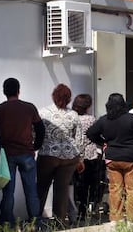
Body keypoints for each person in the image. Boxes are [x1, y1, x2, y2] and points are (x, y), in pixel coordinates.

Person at [86, 93, 133, 226]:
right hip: (132, 158)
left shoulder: (104, 120)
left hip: (112, 158)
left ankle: (116, 218)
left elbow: (90, 133)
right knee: (132, 189)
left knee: (115, 189)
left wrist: (103, 142)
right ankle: (132, 219)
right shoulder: (131, 118)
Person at [0, 78, 45, 229]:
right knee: (31, 191)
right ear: (18, 90)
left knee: (8, 192)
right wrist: (36, 146)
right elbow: (40, 128)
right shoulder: (29, 108)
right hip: (27, 154)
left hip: (7, 155)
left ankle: (6, 224)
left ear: (4, 91)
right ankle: (36, 223)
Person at [37, 84, 84, 228]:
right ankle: (60, 223)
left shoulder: (43, 113)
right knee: (62, 190)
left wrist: (36, 147)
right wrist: (80, 159)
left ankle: (37, 220)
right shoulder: (74, 115)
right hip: (69, 158)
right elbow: (79, 139)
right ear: (69, 99)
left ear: (53, 96)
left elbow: (35, 134)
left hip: (48, 156)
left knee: (41, 188)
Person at [71, 94, 103, 219]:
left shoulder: (72, 118)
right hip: (90, 155)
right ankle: (85, 211)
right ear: (87, 106)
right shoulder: (91, 119)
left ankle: (75, 210)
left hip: (74, 155)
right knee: (89, 185)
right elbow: (96, 135)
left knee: (76, 184)